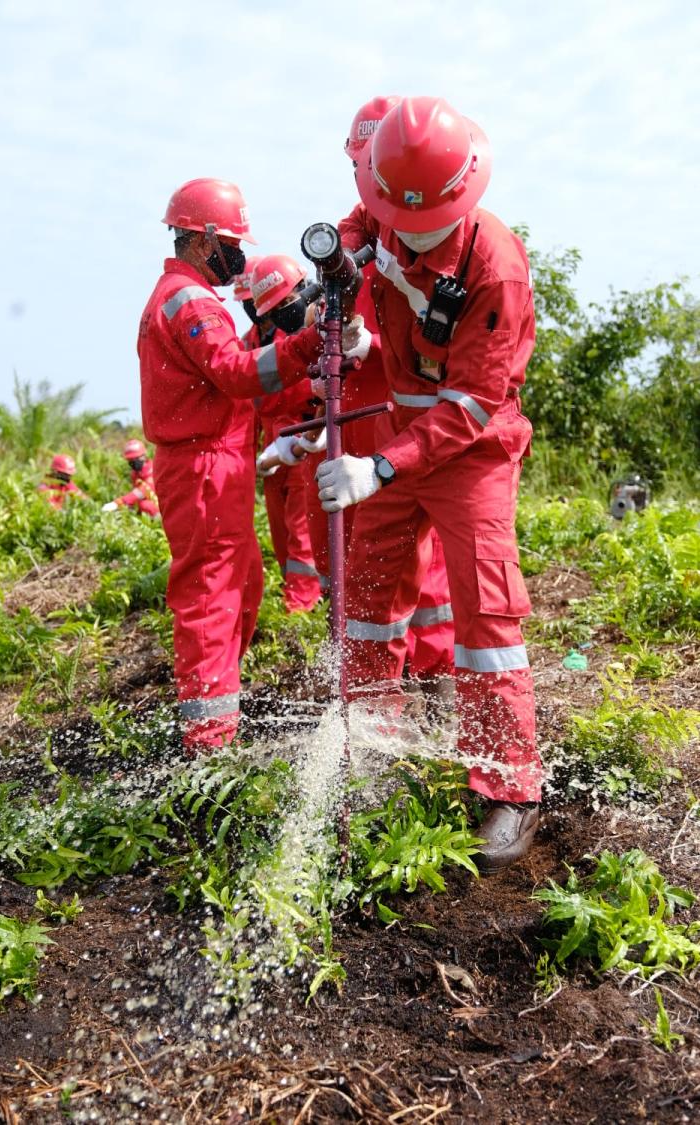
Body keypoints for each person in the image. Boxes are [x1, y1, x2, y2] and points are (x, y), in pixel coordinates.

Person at [317, 97, 540, 872]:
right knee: (371, 598)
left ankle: (509, 789)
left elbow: (473, 402)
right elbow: (353, 229)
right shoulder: (381, 211)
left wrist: (380, 466)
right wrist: (337, 291)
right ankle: (375, 745)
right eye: (385, 213)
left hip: (467, 445)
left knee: (486, 615)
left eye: (423, 224)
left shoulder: (495, 269)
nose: (400, 233)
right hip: (392, 432)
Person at [137, 178, 324, 755]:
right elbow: (236, 373)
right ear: (206, 239)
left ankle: (222, 704)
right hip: (202, 467)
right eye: (234, 243)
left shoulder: (187, 297)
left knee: (243, 583)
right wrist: (310, 344)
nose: (239, 256)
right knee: (213, 595)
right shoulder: (188, 300)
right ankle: (209, 741)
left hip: (219, 463)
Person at [335, 97, 457, 700]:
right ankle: (386, 688)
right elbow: (348, 244)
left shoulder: (431, 219)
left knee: (422, 548)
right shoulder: (364, 219)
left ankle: (434, 673)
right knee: (379, 552)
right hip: (371, 401)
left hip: (412, 399)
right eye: (358, 165)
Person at [248, 254, 322, 613]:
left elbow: (308, 393)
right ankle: (295, 597)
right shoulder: (251, 341)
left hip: (303, 441)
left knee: (302, 532)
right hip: (273, 447)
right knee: (282, 533)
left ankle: (302, 604)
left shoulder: (301, 335)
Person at [101, 439, 160, 518]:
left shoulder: (152, 470)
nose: (133, 463)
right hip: (147, 503)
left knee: (145, 505)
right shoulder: (135, 473)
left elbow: (141, 492)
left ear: (143, 456)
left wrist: (118, 503)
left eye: (135, 459)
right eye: (130, 460)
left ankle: (160, 522)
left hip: (161, 503)